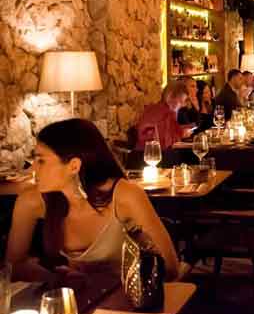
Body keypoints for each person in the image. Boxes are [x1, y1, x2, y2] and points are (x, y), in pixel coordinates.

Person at [6, 119, 179, 281]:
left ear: (74, 166)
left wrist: (97, 280)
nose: (32, 169)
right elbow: (13, 266)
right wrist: (57, 278)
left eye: (41, 161)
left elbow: (171, 269)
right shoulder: (31, 201)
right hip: (77, 298)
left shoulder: (124, 195)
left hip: (129, 298)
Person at [135, 81, 194, 150]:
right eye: (180, 101)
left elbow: (170, 131)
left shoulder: (158, 108)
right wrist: (182, 134)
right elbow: (166, 141)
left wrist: (184, 131)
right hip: (150, 152)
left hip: (150, 150)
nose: (182, 105)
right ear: (171, 96)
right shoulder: (165, 112)